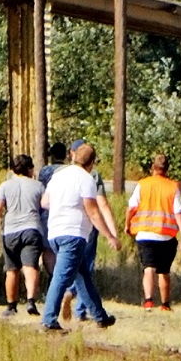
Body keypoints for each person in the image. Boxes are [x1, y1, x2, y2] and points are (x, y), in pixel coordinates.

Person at [40, 142, 121, 332]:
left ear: (73, 156)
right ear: (92, 162)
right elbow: (93, 211)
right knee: (61, 278)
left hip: (55, 233)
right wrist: (110, 236)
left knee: (82, 276)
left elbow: (44, 202)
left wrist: (62, 206)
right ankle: (49, 319)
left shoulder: (58, 176)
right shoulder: (86, 179)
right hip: (73, 233)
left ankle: (100, 317)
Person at [125, 154, 181, 311]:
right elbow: (178, 212)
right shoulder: (173, 187)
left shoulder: (143, 184)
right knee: (164, 271)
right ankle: (165, 304)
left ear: (153, 168)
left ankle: (148, 301)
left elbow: (132, 208)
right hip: (166, 236)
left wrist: (127, 225)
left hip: (145, 234)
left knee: (149, 268)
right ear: (167, 169)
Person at [0, 154, 46, 316]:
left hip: (10, 231)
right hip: (32, 229)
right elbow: (46, 207)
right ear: (30, 169)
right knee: (30, 266)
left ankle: (11, 306)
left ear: (13, 170)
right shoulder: (38, 186)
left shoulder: (5, 186)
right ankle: (31, 300)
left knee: (12, 270)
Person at [64, 138, 116, 323]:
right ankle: (80, 310)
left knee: (72, 266)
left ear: (72, 154)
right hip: (87, 226)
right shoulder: (92, 176)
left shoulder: (60, 173)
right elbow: (101, 204)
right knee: (86, 266)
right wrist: (111, 232)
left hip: (63, 226)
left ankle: (68, 293)